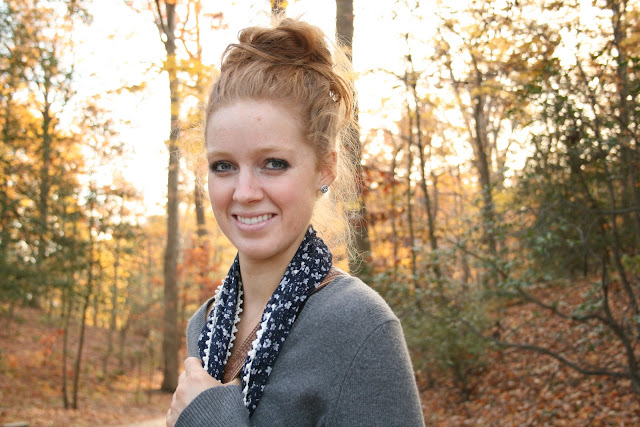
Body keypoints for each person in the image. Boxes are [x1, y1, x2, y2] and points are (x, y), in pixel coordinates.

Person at [166, 18, 425, 427]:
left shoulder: (360, 327)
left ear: (325, 168)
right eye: (223, 166)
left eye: (274, 163)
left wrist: (209, 416)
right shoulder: (205, 325)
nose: (244, 191)